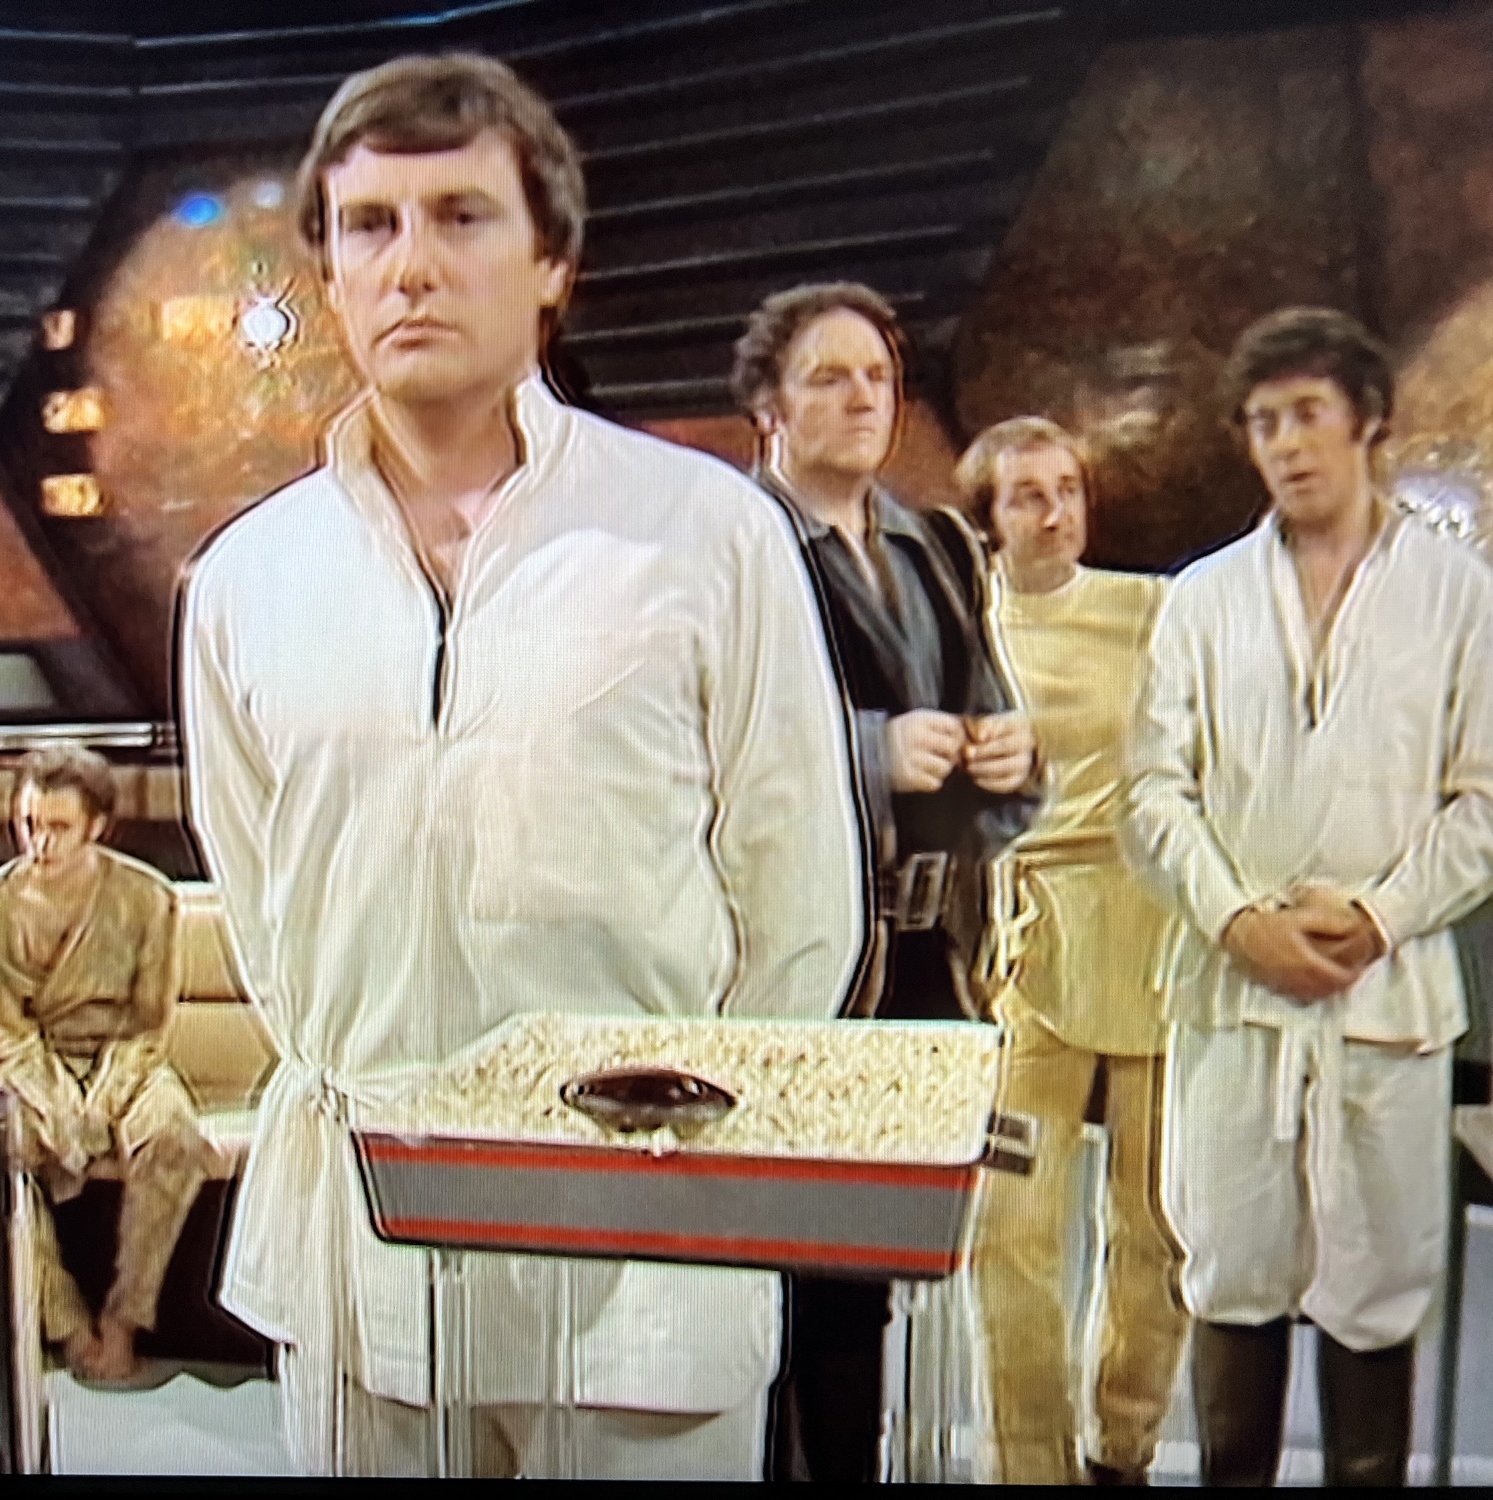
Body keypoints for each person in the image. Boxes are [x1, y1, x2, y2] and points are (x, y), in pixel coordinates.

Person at [182, 53, 865, 1478]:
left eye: (461, 217)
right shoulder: (249, 577)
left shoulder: (703, 534)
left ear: (553, 261)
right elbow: (261, 899)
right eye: (370, 226)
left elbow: (799, 905)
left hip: (638, 1266)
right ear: (328, 271)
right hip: (363, 1259)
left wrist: (681, 1147)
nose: (411, 264)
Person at [1124, 307, 1493, 1487]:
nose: (1283, 444)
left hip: (1384, 992)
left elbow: (1482, 801)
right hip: (1231, 991)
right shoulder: (1200, 598)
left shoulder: (1458, 597)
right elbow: (1150, 792)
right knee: (1230, 1272)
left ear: (1365, 421)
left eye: (1304, 415)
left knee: (1373, 1291)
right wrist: (1237, 919)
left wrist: (1378, 915)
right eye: (1261, 422)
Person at [731, 282, 1039, 1483]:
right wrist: (866, 753)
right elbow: (708, 749)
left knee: (868, 1282)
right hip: (793, 964)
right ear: (767, 405)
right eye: (828, 377)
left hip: (920, 964)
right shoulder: (737, 549)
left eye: (876, 377)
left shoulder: (936, 545)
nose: (862, 398)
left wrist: (1008, 756)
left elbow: (985, 730)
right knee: (784, 1284)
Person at [958, 418, 1186, 1485]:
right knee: (1009, 1232)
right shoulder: (959, 628)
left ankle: (1122, 1447)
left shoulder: (1153, 610)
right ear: (989, 519)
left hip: (1153, 932)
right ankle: (1028, 1466)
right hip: (1029, 946)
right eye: (1027, 496)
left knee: (1155, 1226)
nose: (1055, 513)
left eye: (1067, 490)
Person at [0, 745, 212, 1386]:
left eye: (58, 827)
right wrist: (57, 1104)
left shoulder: (147, 898)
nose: (39, 843)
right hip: (31, 1064)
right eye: (28, 824)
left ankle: (124, 1321)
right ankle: (67, 1325)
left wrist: (102, 1101)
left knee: (173, 1136)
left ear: (97, 827)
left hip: (126, 1061)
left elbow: (148, 1024)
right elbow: (6, 1027)